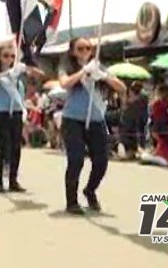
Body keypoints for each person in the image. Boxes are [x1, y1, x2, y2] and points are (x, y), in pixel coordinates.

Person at [58, 37, 126, 215]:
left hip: (95, 119)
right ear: (73, 51)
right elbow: (64, 83)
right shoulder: (67, 67)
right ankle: (71, 201)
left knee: (102, 160)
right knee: (76, 159)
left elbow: (122, 87)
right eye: (80, 48)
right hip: (73, 119)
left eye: (88, 48)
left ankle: (90, 190)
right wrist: (83, 73)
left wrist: (103, 76)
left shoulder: (98, 66)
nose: (85, 51)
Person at [0, 44, 43, 192]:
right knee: (3, 146)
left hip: (16, 112)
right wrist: (6, 73)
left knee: (16, 147)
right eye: (5, 56)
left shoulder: (17, 73)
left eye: (12, 56)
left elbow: (39, 75)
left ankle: (13, 180)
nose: (9, 59)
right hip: (1, 112)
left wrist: (28, 68)